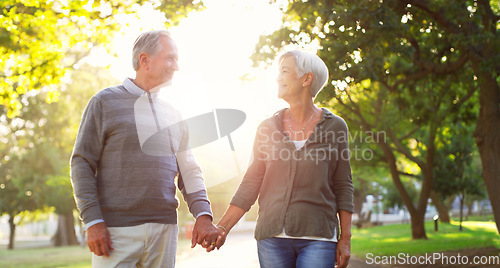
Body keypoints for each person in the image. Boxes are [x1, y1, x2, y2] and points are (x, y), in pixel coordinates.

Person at [70, 29, 219, 267]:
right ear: (144, 60)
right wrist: (92, 221)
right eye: (170, 58)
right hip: (115, 232)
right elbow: (81, 163)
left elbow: (189, 170)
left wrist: (203, 214)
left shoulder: (175, 113)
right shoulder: (104, 102)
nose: (176, 66)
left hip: (164, 230)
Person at [209, 50, 354, 268]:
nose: (278, 77)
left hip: (319, 237)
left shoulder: (335, 126)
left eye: (284, 71)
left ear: (307, 79)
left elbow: (344, 185)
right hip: (271, 239)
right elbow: (251, 182)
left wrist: (345, 239)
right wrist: (223, 227)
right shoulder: (267, 128)